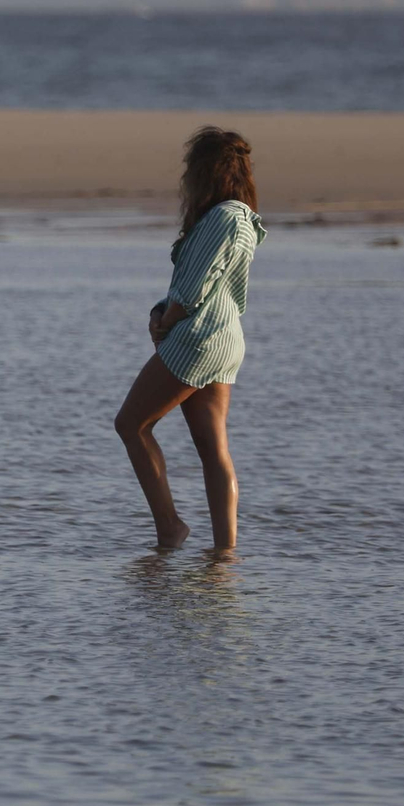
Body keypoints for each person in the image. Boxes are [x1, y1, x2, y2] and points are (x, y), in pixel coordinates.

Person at [114, 127, 267, 550]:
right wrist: (158, 311)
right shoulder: (240, 218)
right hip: (225, 338)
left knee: (131, 424)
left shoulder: (223, 218)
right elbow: (208, 283)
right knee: (212, 446)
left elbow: (195, 288)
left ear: (206, 172)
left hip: (199, 337)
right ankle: (225, 554)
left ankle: (170, 527)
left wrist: (167, 319)